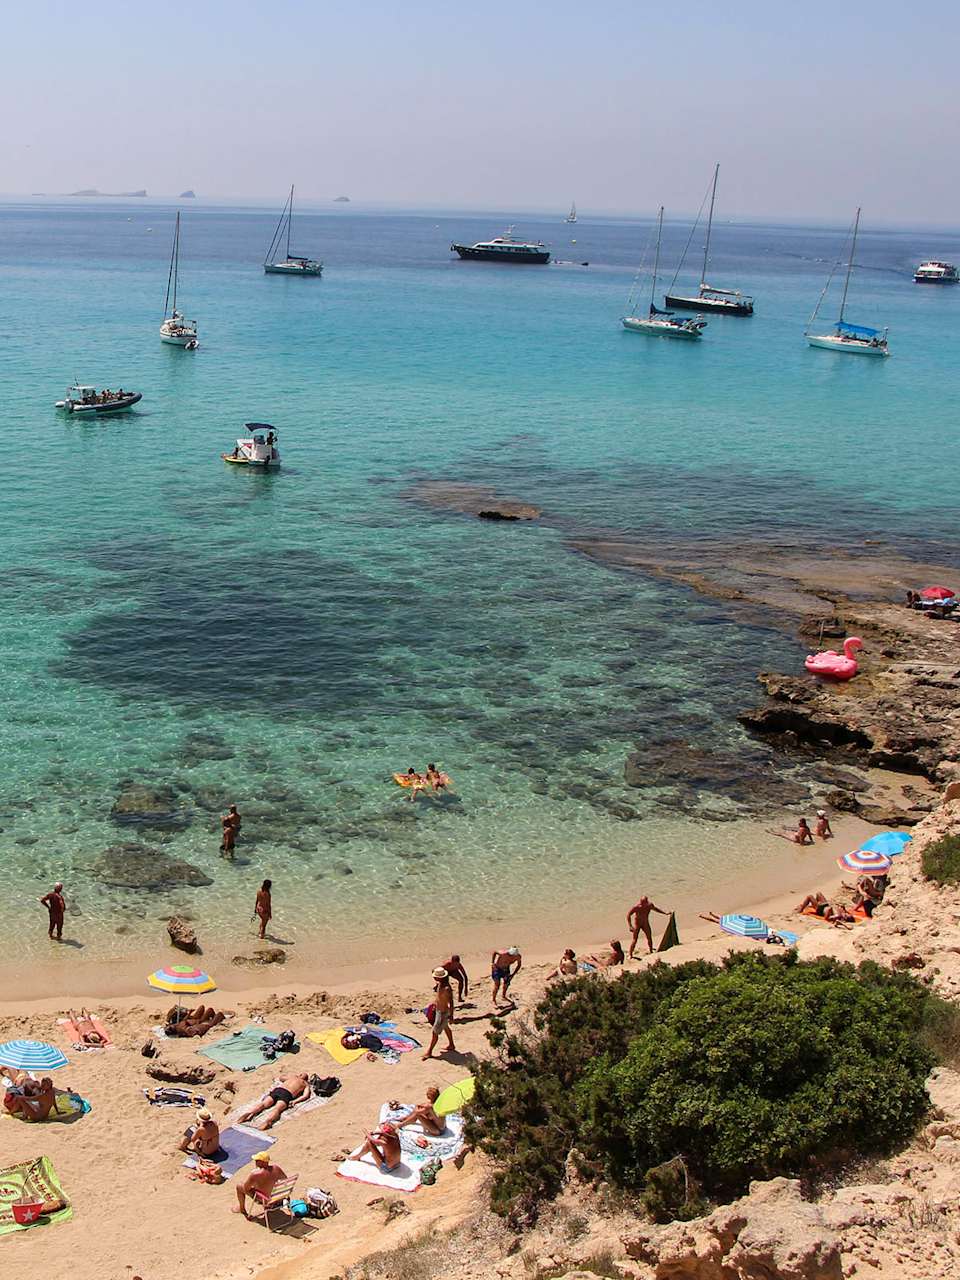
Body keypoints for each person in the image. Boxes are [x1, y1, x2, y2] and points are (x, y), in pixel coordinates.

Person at [237, 1072, 310, 1130]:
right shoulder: (305, 1084)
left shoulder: (292, 1077)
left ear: (300, 1075)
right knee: (277, 1109)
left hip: (278, 1090)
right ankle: (268, 1121)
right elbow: (305, 1096)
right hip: (287, 1094)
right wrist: (295, 1101)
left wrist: (292, 1075)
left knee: (263, 1104)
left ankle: (249, 1113)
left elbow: (281, 1078)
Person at [233, 1151, 287, 1217]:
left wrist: (254, 1184)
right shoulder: (276, 1168)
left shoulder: (255, 1174)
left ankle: (242, 1209)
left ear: (262, 1162)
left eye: (257, 1160)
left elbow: (246, 1188)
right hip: (278, 1198)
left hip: (266, 1200)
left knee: (239, 1186)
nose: (255, 1162)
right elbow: (285, 1180)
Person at [423, 967, 456, 1059]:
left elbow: (451, 1002)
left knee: (435, 1032)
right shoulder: (439, 984)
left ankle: (429, 1052)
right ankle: (451, 1045)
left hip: (443, 1012)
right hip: (438, 1010)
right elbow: (439, 997)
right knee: (446, 1027)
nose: (434, 978)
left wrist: (451, 1016)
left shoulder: (446, 988)